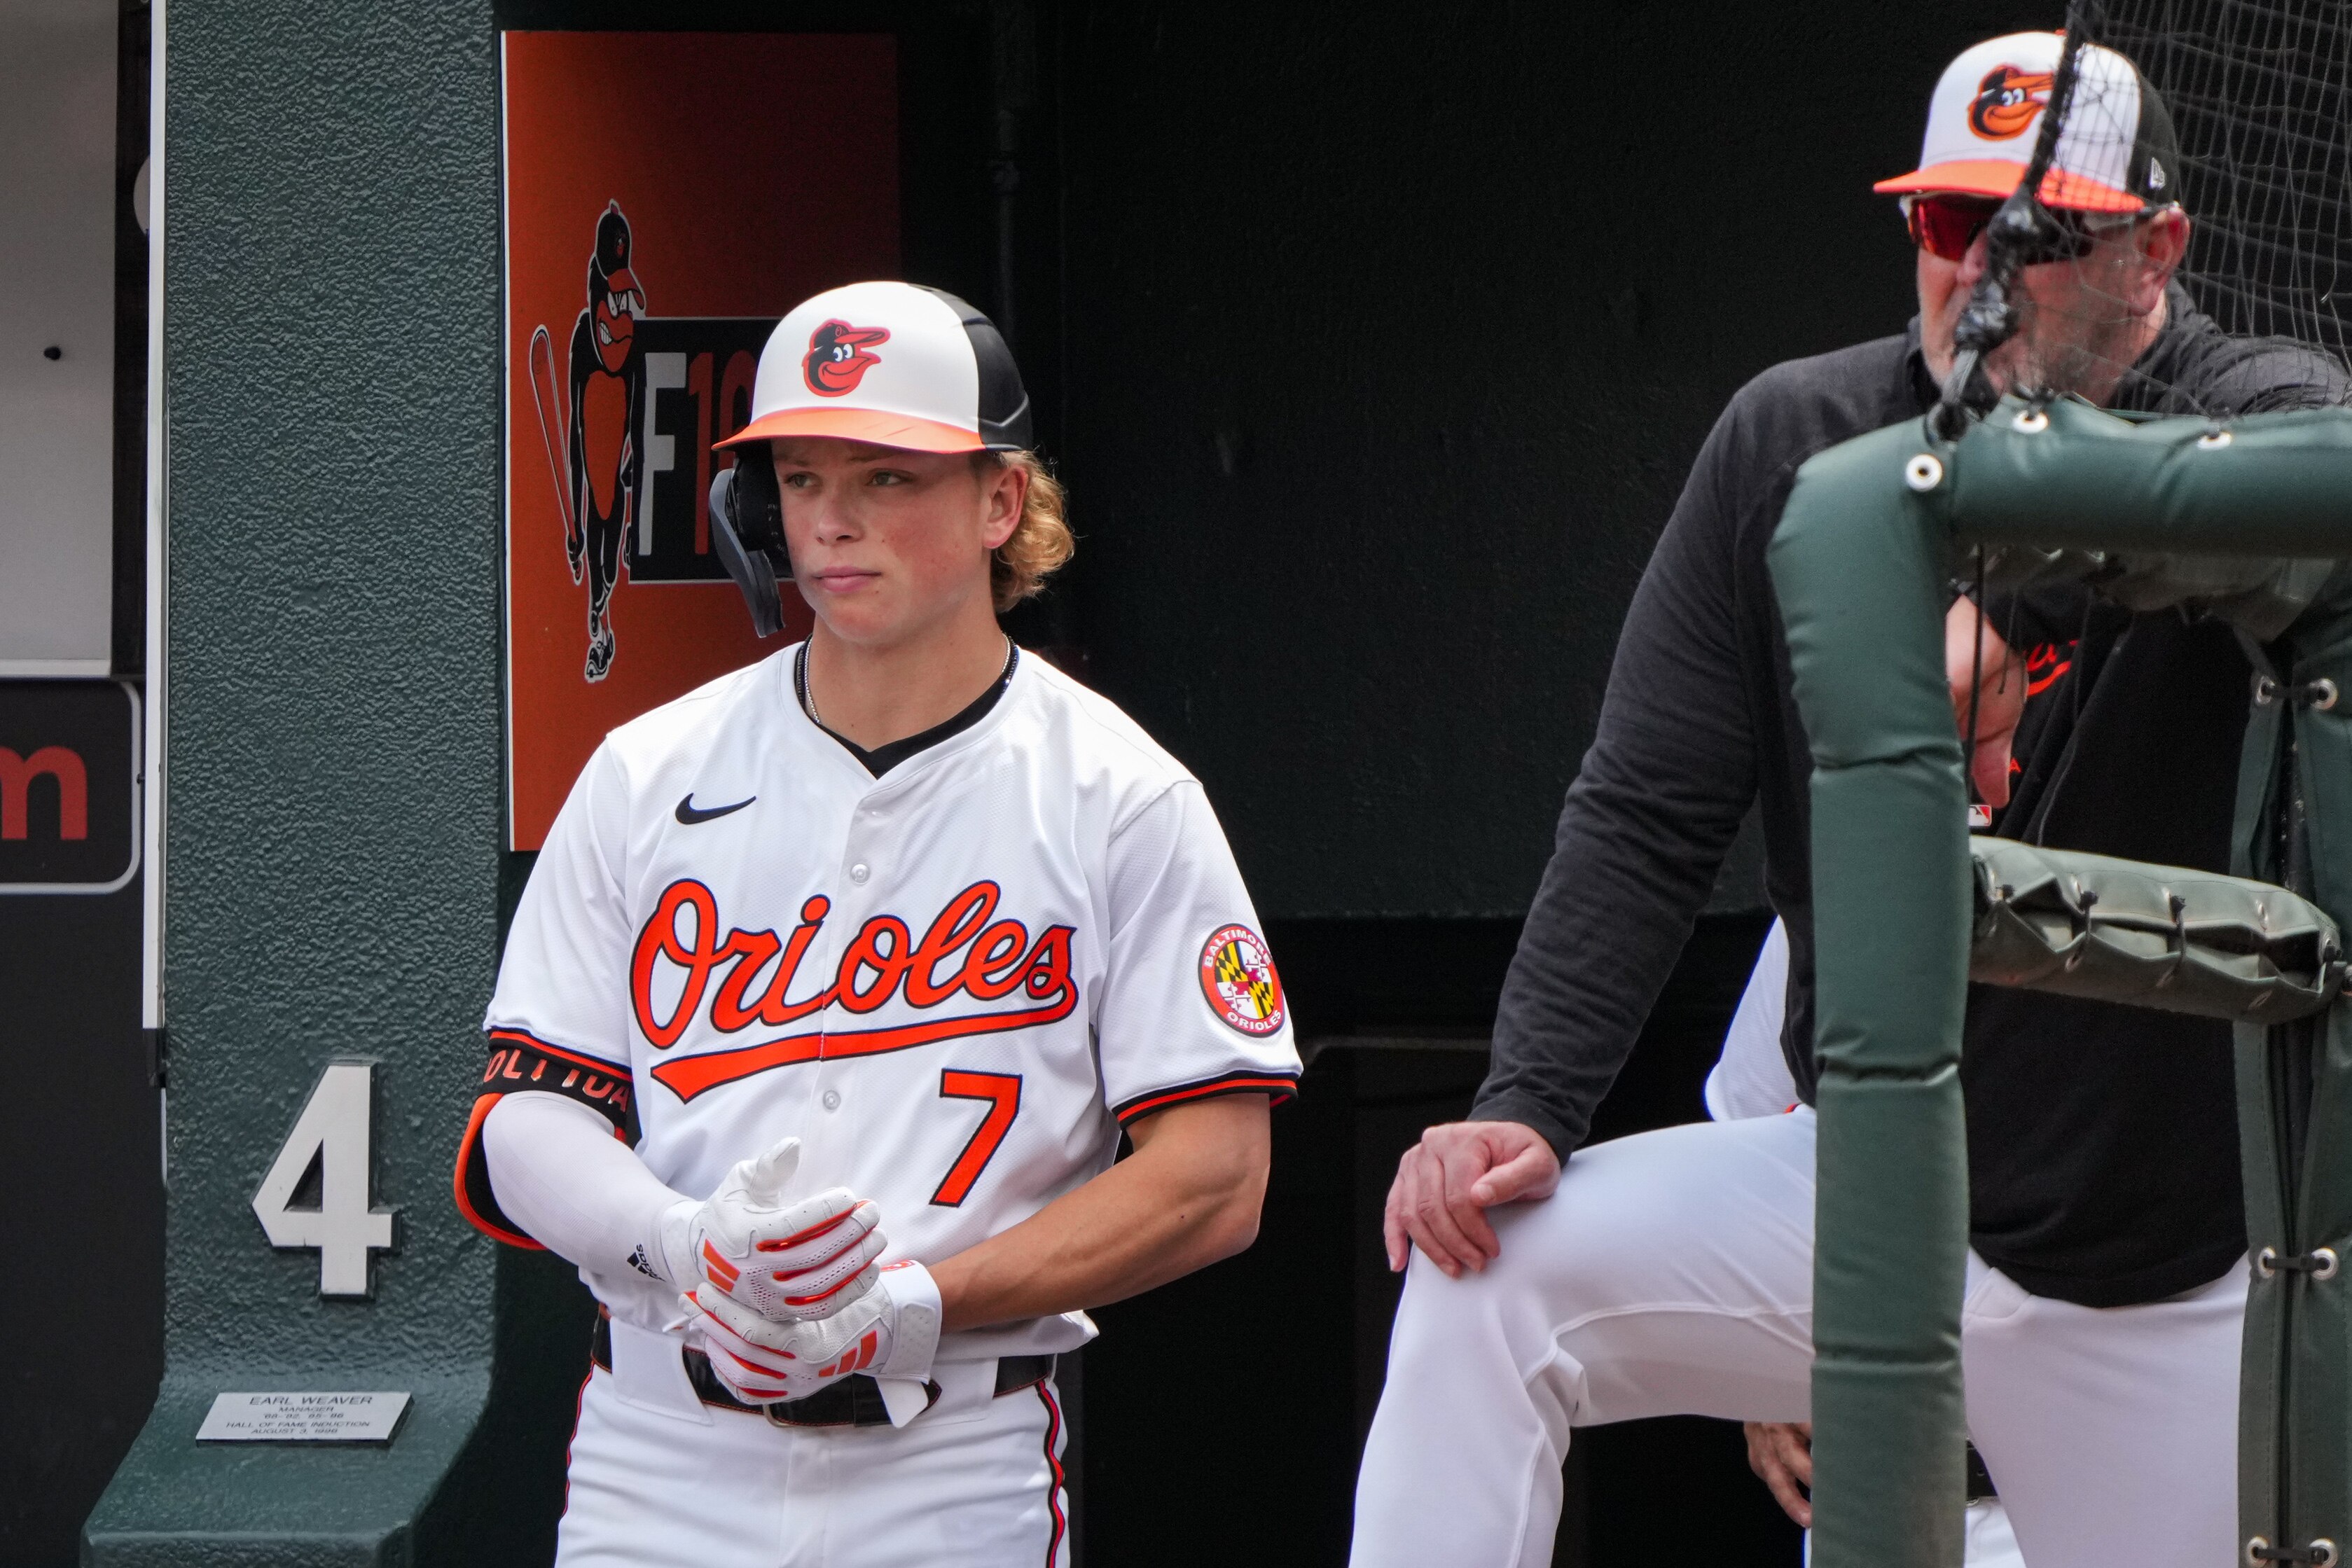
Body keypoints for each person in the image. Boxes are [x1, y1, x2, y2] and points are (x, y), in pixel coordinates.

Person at [1353, 32, 2348, 1568]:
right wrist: (1523, 1102)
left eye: (2042, 239)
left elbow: (2295, 465)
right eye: (1953, 229)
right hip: (1867, 1193)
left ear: (2156, 252)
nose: (1986, 276)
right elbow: (1642, 808)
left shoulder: (2254, 397)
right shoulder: (1789, 436)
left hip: (2151, 1270)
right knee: (1481, 1272)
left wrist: (2005, 605)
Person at [456, 281, 1301, 1567]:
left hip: (949, 1459)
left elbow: (1217, 1175)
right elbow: (525, 1115)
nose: (834, 519)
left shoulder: (1118, 794)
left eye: (888, 476)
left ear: (999, 501)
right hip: (659, 1452)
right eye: (800, 477)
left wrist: (912, 1302)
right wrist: (680, 1240)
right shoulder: (646, 770)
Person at [1714, 921, 2025, 1568]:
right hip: (1873, 1496)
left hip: (2095, 1480)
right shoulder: (1846, 865)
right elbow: (1749, 1150)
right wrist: (1763, 1384)